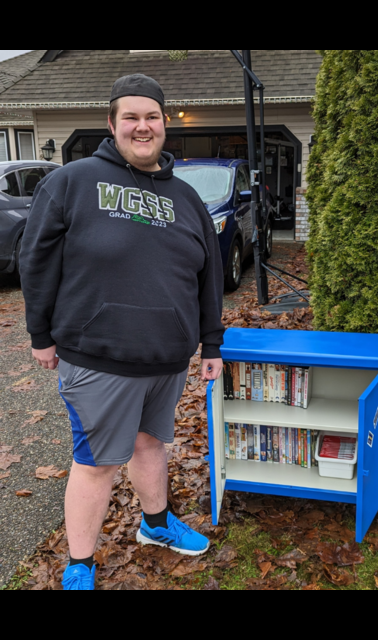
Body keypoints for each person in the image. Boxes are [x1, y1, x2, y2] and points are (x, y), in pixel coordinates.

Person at [20, 74, 224, 590]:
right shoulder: (72, 182)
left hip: (167, 359)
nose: (142, 126)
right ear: (112, 124)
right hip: (98, 357)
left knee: (151, 446)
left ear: (164, 125)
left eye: (151, 116)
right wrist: (40, 335)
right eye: (130, 116)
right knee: (96, 464)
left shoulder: (187, 198)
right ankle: (81, 564)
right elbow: (35, 260)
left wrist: (211, 342)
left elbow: (209, 275)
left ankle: (156, 525)